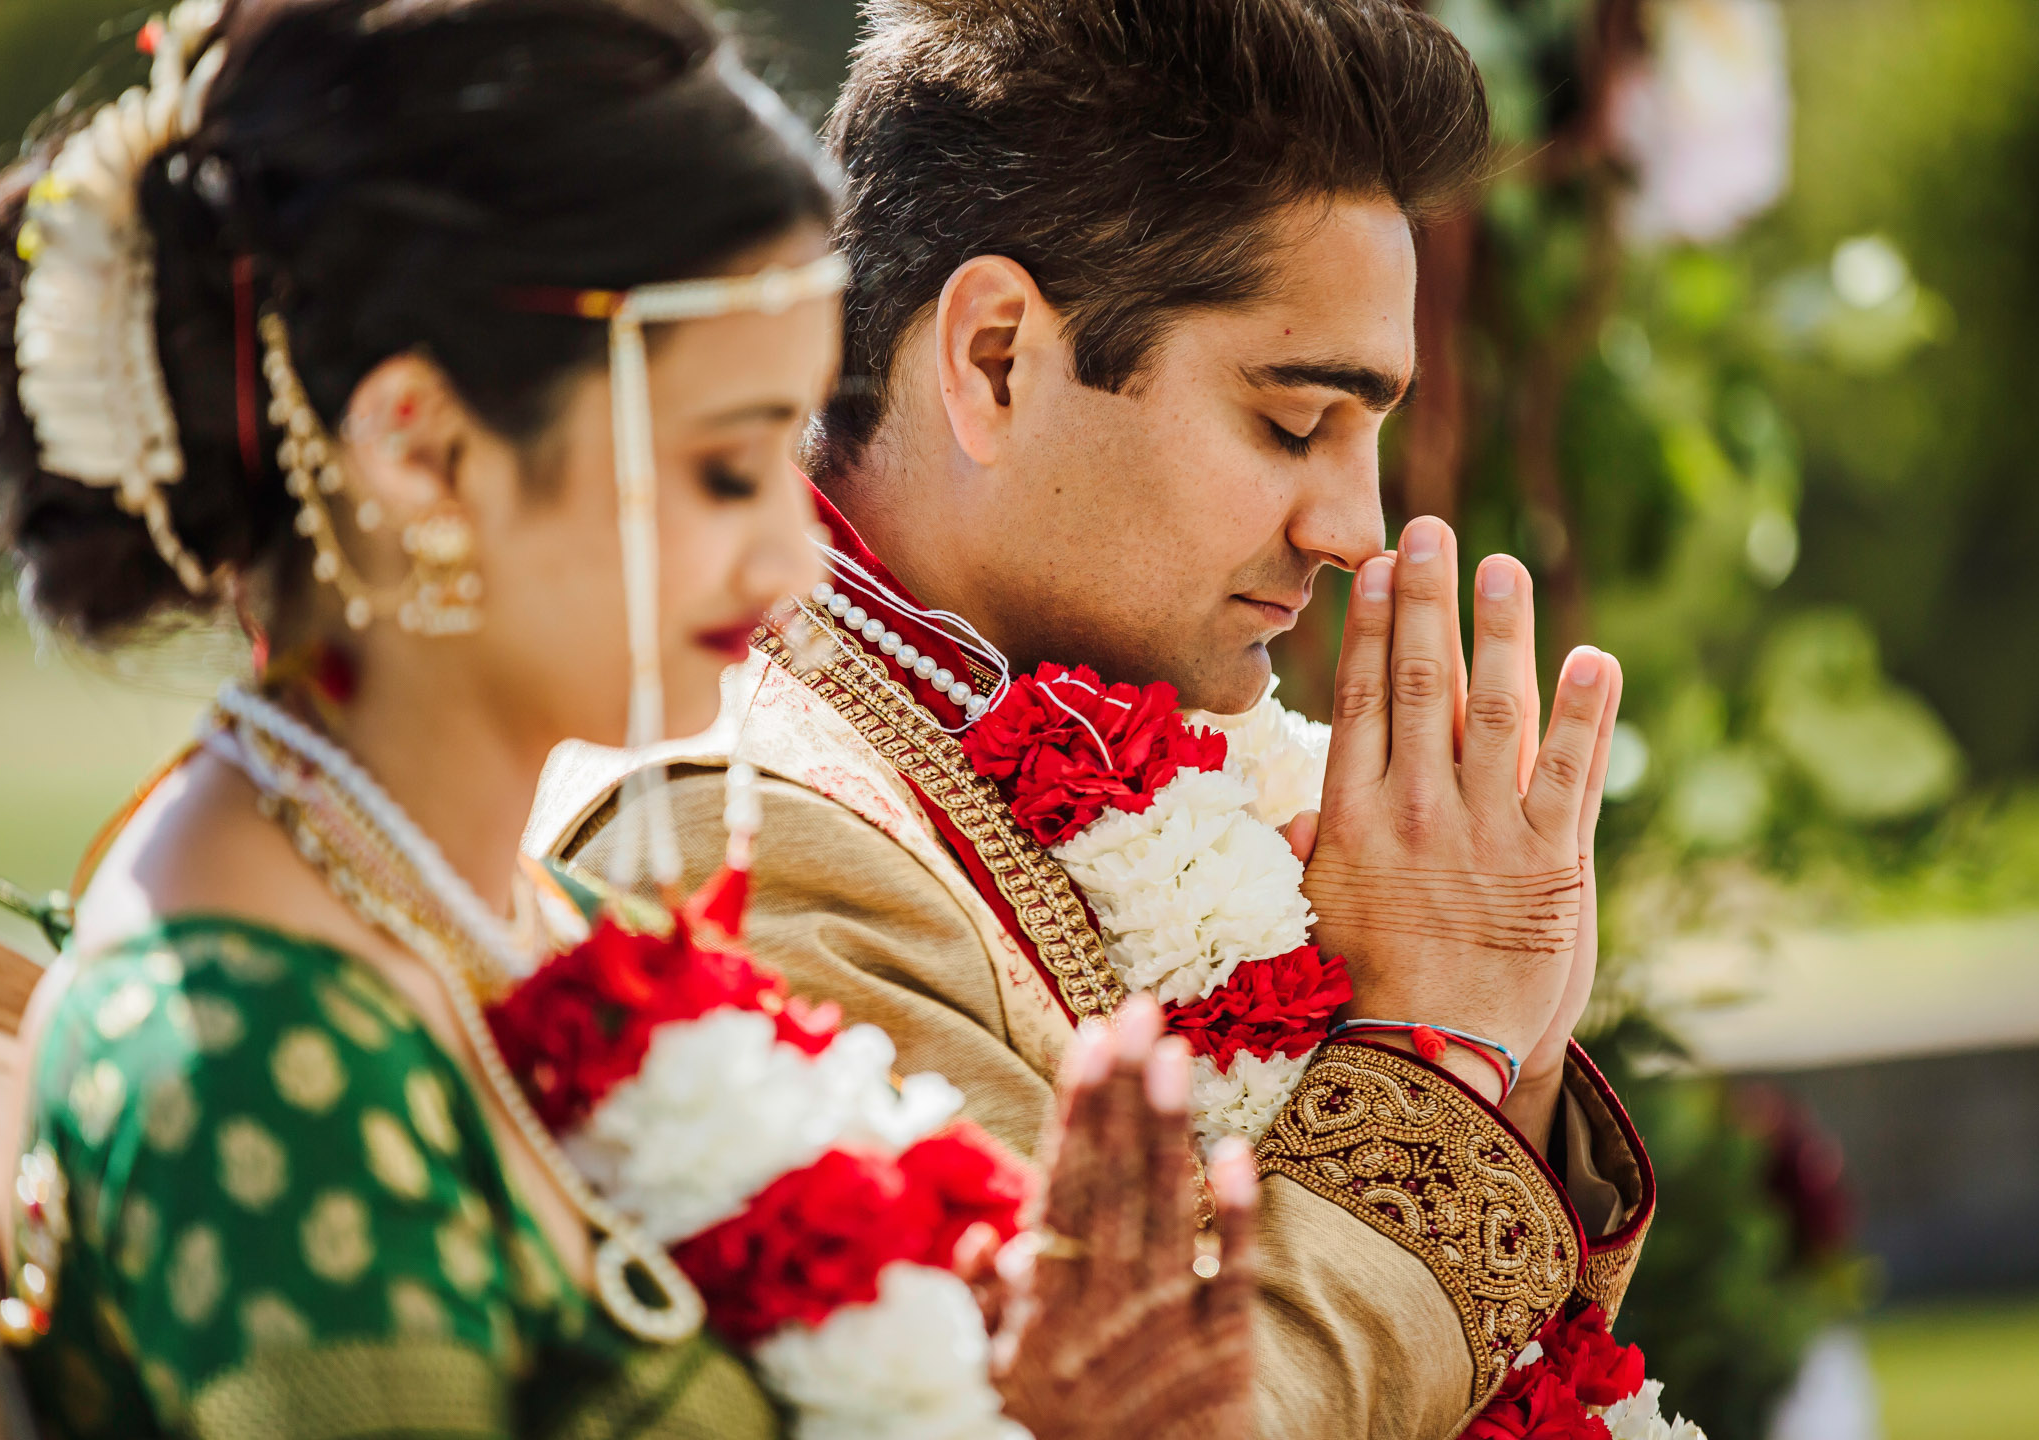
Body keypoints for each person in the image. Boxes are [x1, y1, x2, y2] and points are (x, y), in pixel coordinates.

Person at [0, 1, 1258, 1436]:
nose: (794, 556)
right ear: (422, 452)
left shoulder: (524, 917)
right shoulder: (247, 1058)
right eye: (722, 469)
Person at [531, 0, 1658, 1436]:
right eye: (1297, 424)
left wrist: (1513, 1032)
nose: (1355, 529)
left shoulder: (1144, 735)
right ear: (995, 357)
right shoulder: (735, 850)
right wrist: (1437, 1057)